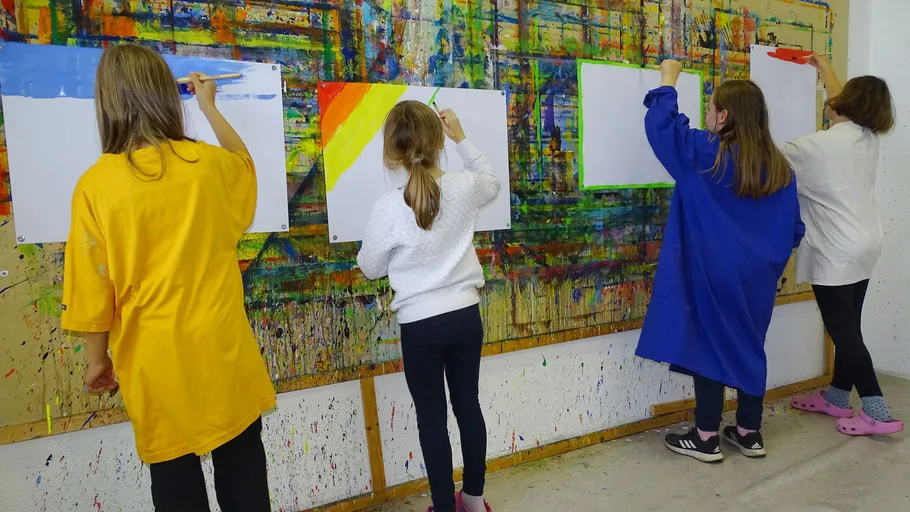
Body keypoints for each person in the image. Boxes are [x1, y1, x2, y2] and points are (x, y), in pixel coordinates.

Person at [61, 44, 276, 510]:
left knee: (177, 490)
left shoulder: (95, 188)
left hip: (155, 365)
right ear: (166, 95)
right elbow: (245, 165)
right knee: (245, 481)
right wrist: (210, 109)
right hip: (223, 353)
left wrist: (97, 361)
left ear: (108, 103)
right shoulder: (210, 167)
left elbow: (93, 290)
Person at [635, 60, 805, 463]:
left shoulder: (702, 152)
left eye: (710, 107)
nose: (707, 114)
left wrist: (668, 80)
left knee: (707, 345)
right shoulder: (780, 167)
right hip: (758, 277)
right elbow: (795, 228)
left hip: (711, 271)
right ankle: (749, 432)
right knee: (749, 344)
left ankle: (707, 436)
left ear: (724, 116)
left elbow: (662, 127)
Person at [357, 101, 498, 512]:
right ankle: (473, 499)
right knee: (467, 405)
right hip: (464, 317)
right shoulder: (464, 186)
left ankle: (443, 506)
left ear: (391, 153)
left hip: (420, 326)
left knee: (431, 420)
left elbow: (369, 268)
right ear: (439, 142)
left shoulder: (388, 208)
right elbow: (490, 179)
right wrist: (462, 136)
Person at [785, 54, 903, 436]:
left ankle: (875, 410)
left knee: (843, 331)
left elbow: (761, 157)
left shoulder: (811, 147)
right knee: (850, 325)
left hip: (836, 250)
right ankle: (837, 397)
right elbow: (844, 104)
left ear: (845, 104)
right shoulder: (867, 138)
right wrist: (825, 69)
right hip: (867, 244)